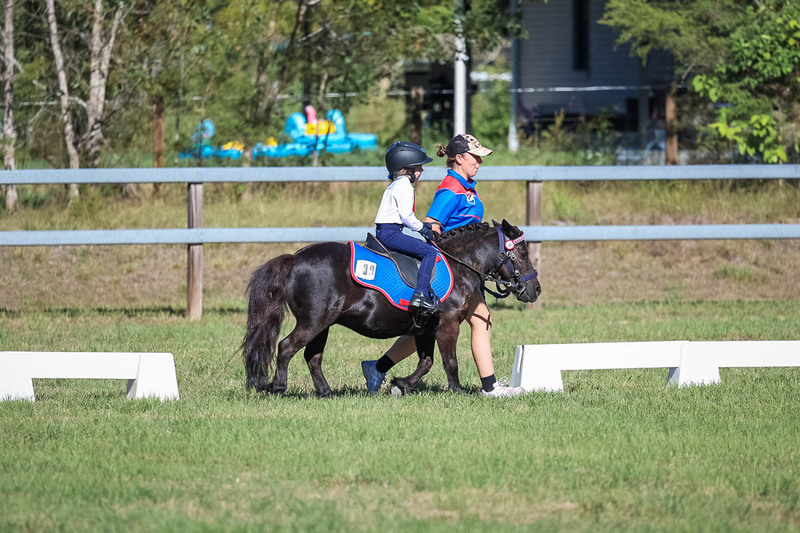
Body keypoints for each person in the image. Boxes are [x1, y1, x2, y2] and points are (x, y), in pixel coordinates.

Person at [362, 134, 526, 398]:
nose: (479, 162)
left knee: (443, 323)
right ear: (459, 159)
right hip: (454, 271)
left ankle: (378, 367)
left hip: (467, 270)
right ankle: (490, 387)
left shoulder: (467, 186)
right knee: (479, 319)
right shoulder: (451, 188)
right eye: (475, 157)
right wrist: (453, 258)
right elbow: (434, 225)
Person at [374, 141, 439, 313]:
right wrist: (423, 229)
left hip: (385, 231)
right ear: (408, 168)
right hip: (391, 233)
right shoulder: (405, 185)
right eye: (419, 167)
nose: (422, 171)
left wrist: (422, 225)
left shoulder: (395, 183)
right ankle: (420, 295)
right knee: (429, 252)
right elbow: (406, 216)